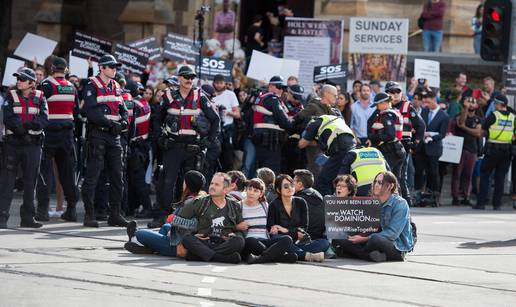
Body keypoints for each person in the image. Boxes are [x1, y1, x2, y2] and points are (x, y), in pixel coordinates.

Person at [153, 65, 220, 228]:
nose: (189, 80)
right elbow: (156, 119)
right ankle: (163, 216)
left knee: (192, 184)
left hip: (193, 147)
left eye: (192, 77)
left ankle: (191, 216)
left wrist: (209, 141)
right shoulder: (169, 96)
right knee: (168, 182)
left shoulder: (200, 96)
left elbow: (215, 119)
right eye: (186, 76)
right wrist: (160, 138)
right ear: (179, 78)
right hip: (173, 146)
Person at [81, 55, 130, 228]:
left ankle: (115, 214)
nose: (114, 69)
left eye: (115, 67)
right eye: (111, 66)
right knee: (93, 176)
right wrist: (111, 124)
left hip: (114, 136)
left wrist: (123, 122)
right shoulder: (91, 85)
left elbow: (123, 109)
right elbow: (91, 111)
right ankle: (89, 214)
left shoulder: (116, 85)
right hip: (98, 135)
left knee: (118, 177)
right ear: (101, 68)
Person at [0, 68, 48, 228]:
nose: (18, 81)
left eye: (22, 79)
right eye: (18, 78)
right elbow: (8, 118)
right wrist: (22, 131)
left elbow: (43, 119)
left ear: (31, 83)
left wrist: (26, 127)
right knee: (7, 182)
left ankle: (28, 218)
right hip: (13, 144)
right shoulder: (10, 95)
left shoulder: (41, 97)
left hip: (33, 145)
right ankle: (2, 218)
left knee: (30, 182)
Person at [332, 171, 414, 262]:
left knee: (375, 239)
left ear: (390, 186)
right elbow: (366, 226)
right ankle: (370, 255)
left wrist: (364, 239)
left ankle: (357, 254)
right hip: (371, 242)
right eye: (375, 181)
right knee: (340, 237)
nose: (376, 185)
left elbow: (392, 234)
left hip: (395, 245)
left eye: (380, 182)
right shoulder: (372, 201)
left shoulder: (400, 204)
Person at [35, 57, 80, 222]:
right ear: (66, 70)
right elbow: (74, 110)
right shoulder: (72, 87)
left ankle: (42, 211)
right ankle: (72, 210)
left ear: (52, 69)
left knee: (44, 172)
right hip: (67, 134)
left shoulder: (46, 85)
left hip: (50, 133)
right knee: (67, 173)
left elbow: (37, 106)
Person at [124, 170, 206, 256]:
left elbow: (193, 225)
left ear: (187, 184)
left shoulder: (191, 202)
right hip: (181, 240)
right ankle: (151, 248)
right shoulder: (201, 198)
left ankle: (134, 239)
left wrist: (174, 221)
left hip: (178, 246)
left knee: (140, 233)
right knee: (165, 227)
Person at [178, 172, 246, 264]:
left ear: (225, 189)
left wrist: (235, 234)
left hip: (224, 243)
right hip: (204, 241)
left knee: (239, 241)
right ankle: (219, 258)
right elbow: (178, 221)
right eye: (212, 183)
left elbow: (241, 229)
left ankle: (198, 255)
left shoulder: (234, 205)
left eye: (217, 184)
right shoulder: (199, 202)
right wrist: (193, 233)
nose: (212, 186)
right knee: (187, 239)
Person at [267, 174, 329, 262]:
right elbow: (272, 230)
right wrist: (293, 233)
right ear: (278, 190)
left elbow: (304, 228)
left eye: (292, 185)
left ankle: (293, 253)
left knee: (324, 243)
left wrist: (286, 230)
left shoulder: (301, 202)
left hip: (299, 242)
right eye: (285, 186)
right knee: (282, 240)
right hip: (283, 241)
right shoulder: (273, 205)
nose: (290, 188)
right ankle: (306, 256)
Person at [385, 81, 425, 207]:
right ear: (386, 93)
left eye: (397, 91)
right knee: (388, 175)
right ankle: (390, 202)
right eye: (392, 91)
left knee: (401, 176)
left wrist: (416, 142)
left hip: (402, 146)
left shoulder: (407, 106)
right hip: (387, 147)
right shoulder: (384, 107)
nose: (395, 94)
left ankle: (405, 204)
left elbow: (421, 125)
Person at [241, 178, 298, 264]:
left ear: (261, 194)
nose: (251, 193)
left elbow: (272, 223)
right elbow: (233, 226)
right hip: (250, 242)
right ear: (246, 190)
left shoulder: (265, 205)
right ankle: (278, 257)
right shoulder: (239, 205)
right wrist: (238, 226)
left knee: (287, 239)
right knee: (250, 240)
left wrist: (274, 227)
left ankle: (259, 259)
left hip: (265, 240)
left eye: (255, 191)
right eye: (249, 189)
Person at [474, 94, 515, 210]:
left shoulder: (493, 115)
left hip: (492, 150)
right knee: (500, 178)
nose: (494, 105)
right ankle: (497, 204)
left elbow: (481, 132)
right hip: (507, 151)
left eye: (495, 103)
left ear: (499, 104)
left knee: (485, 175)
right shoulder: (513, 117)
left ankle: (481, 203)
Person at [299, 114, 356, 196]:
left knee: (323, 181)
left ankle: (323, 206)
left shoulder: (313, 124)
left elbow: (302, 144)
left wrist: (297, 139)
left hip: (340, 150)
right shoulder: (332, 119)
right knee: (338, 179)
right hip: (352, 148)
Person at [293, 84, 342, 178]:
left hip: (328, 149)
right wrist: (307, 138)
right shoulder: (313, 107)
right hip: (314, 148)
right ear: (327, 94)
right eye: (335, 95)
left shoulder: (333, 111)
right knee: (316, 174)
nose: (337, 98)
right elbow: (296, 121)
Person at [414, 90, 449, 206]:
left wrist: (432, 136)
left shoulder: (443, 116)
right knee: (419, 171)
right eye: (425, 103)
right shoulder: (424, 111)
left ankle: (435, 196)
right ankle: (419, 195)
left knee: (433, 173)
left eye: (428, 102)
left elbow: (442, 134)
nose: (426, 105)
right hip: (422, 147)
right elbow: (419, 126)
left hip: (434, 147)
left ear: (434, 100)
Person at [252, 75, 292, 173]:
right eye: (279, 87)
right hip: (271, 141)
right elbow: (284, 122)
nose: (281, 90)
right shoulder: (272, 99)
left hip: (261, 139)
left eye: (282, 88)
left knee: (261, 171)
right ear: (270, 86)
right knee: (271, 172)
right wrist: (294, 125)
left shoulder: (260, 97)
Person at [125, 80, 153, 218]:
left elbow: (130, 126)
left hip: (135, 146)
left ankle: (147, 208)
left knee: (137, 180)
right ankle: (132, 207)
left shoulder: (133, 105)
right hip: (143, 145)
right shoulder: (145, 103)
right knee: (134, 180)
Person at [450, 96, 482, 206]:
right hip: (459, 149)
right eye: (469, 101)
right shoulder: (460, 114)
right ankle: (455, 196)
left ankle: (466, 196)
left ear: (477, 106)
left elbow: (478, 133)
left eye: (473, 102)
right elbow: (461, 122)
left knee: (468, 174)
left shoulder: (478, 119)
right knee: (457, 174)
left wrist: (464, 128)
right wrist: (465, 108)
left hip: (472, 150)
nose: (471, 104)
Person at [367, 93, 406, 181]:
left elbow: (390, 136)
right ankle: (397, 194)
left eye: (377, 104)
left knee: (387, 179)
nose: (376, 107)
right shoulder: (395, 112)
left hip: (391, 151)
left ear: (384, 103)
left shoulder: (387, 115)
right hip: (397, 149)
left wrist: (374, 137)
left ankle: (391, 194)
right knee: (396, 180)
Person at [212, 74, 240, 171]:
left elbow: (238, 114)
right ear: (213, 83)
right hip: (214, 129)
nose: (219, 85)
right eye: (217, 83)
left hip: (228, 129)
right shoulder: (210, 94)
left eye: (221, 83)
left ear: (224, 83)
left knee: (227, 157)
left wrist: (228, 112)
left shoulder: (230, 94)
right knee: (214, 156)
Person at [293, 169, 325, 240]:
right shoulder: (318, 194)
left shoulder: (298, 200)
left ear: (300, 184)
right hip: (320, 236)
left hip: (305, 238)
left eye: (294, 181)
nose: (291, 183)